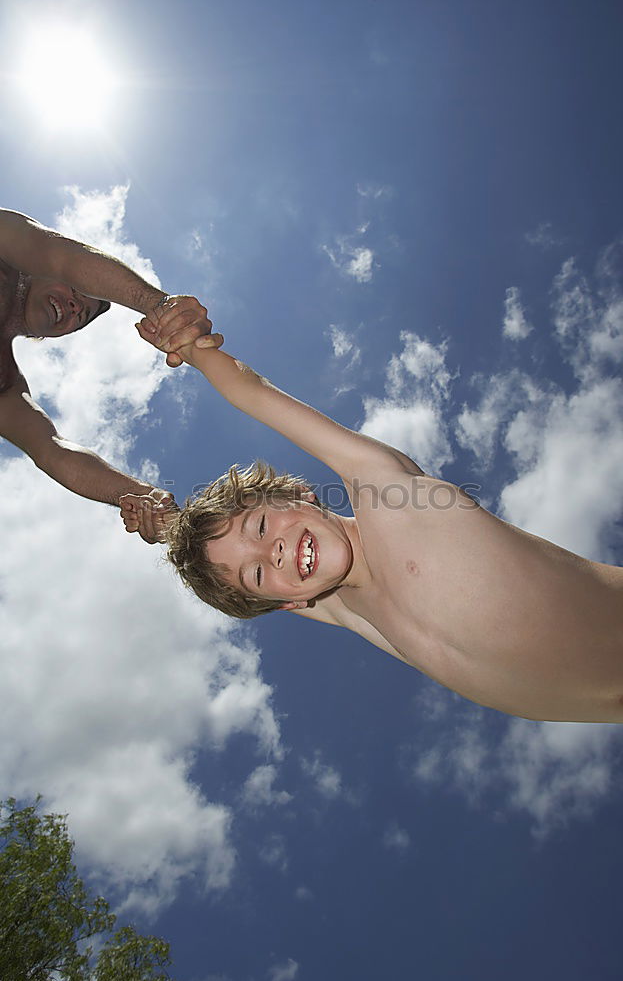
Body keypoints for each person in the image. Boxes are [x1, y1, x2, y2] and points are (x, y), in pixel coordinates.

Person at [126, 311, 623, 724]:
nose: (270, 552)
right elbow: (225, 565)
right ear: (289, 606)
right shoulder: (349, 609)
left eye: (259, 527)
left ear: (300, 494)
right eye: (258, 573)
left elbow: (254, 394)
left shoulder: (387, 497)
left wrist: (194, 351)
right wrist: (166, 528)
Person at [0, 208, 220, 542]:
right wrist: (161, 307)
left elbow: (52, 450)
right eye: (75, 290)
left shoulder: (5, 383)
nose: (75, 307)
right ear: (41, 271)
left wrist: (145, 496)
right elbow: (59, 255)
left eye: (83, 314)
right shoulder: (9, 238)